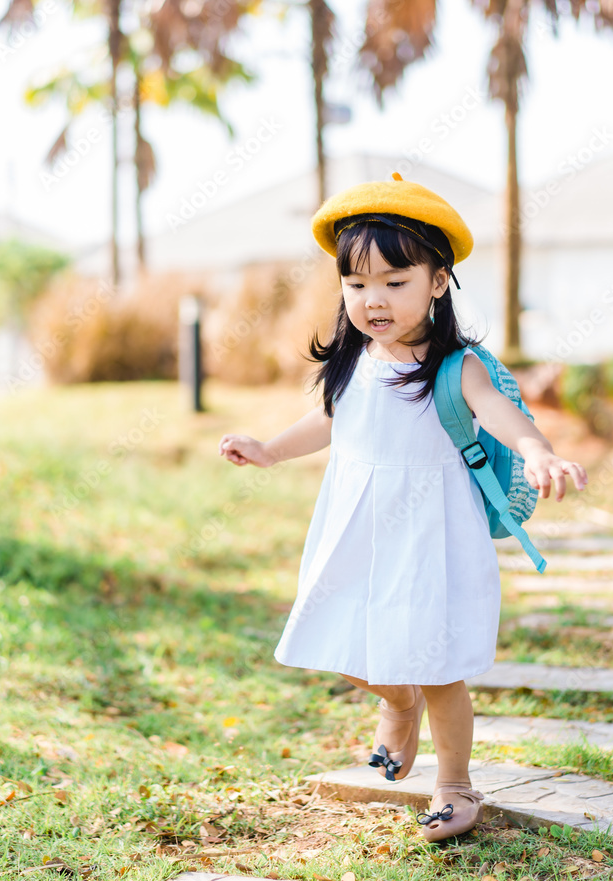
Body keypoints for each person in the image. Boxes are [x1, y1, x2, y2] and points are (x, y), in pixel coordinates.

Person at [218, 174, 588, 841]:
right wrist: (269, 450)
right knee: (340, 638)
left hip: (430, 532)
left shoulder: (456, 366)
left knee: (438, 664)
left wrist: (536, 449)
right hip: (357, 526)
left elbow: (502, 412)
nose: (374, 299)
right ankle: (397, 701)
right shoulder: (354, 358)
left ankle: (455, 784)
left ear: (438, 282)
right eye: (356, 284)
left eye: (395, 280)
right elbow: (330, 420)